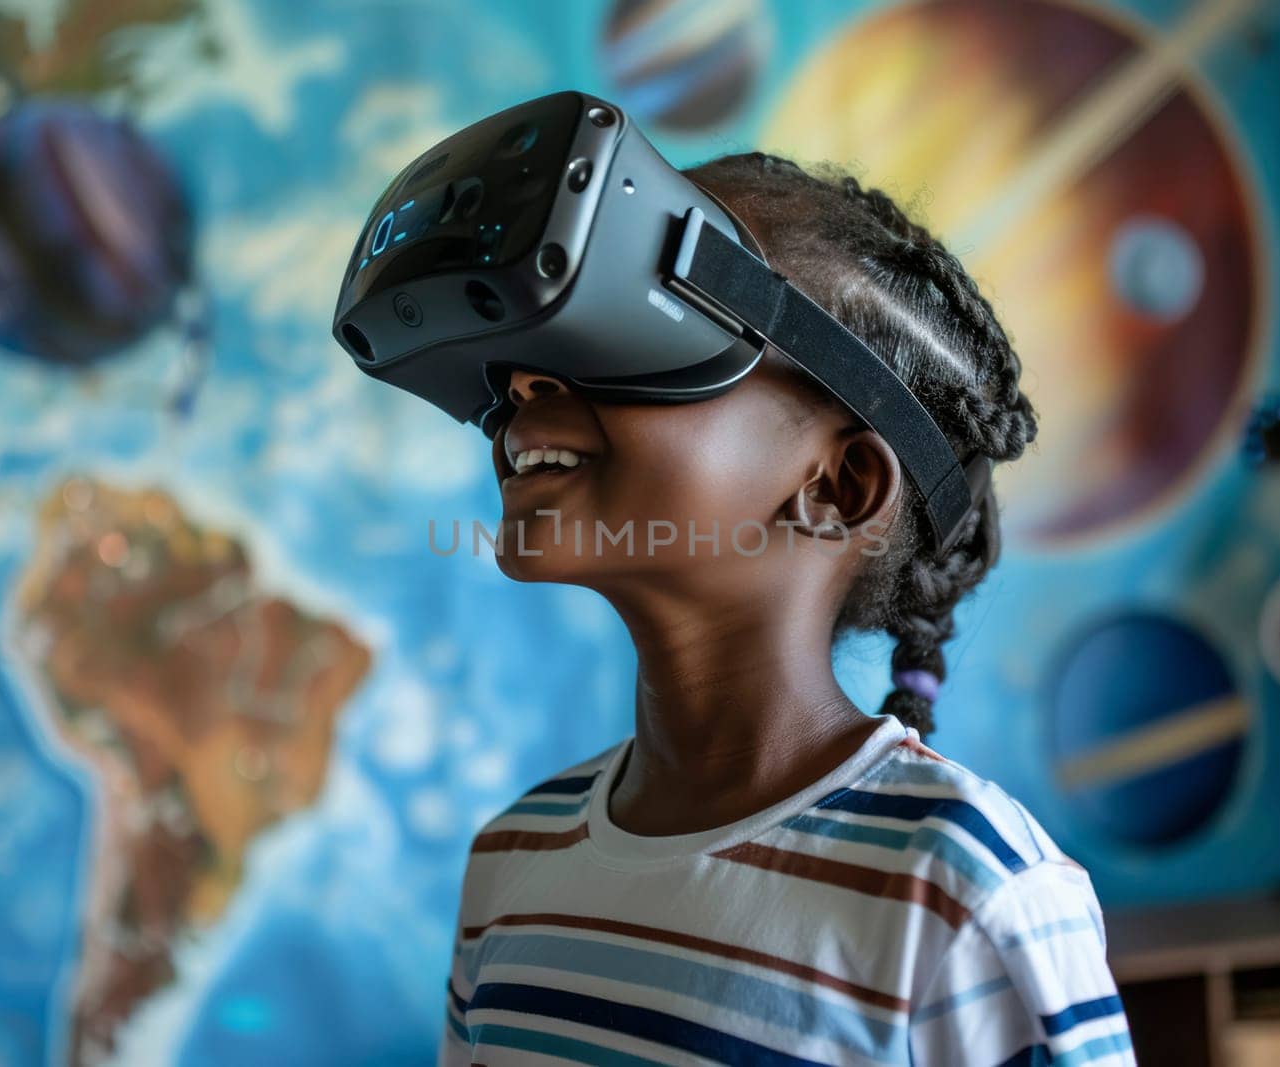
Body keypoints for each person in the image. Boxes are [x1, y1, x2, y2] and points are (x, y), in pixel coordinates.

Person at [438, 153, 1135, 1066]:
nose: (528, 380)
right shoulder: (513, 857)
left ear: (837, 486)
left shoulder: (965, 894)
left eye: (637, 321)